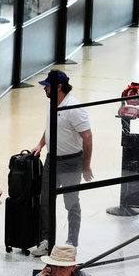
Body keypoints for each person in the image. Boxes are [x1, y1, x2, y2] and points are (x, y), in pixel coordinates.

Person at [29, 70, 93, 255]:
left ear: (58, 87)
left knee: (71, 202)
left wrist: (86, 165)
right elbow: (50, 127)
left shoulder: (74, 108)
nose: (45, 88)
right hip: (51, 160)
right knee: (46, 201)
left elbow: (87, 137)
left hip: (71, 162)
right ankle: (47, 241)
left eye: (47, 85)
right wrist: (41, 144)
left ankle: (72, 241)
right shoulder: (52, 104)